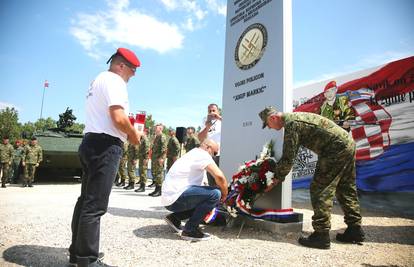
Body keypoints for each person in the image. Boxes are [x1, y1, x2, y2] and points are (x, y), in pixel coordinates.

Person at [68, 47, 141, 267]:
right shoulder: (115, 81)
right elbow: (118, 118)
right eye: (132, 70)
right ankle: (87, 260)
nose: (133, 75)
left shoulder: (98, 80)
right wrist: (133, 134)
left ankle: (77, 254)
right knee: (95, 206)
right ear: (121, 65)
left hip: (90, 142)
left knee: (85, 202)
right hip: (106, 145)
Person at [258, 106, 364, 249]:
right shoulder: (295, 119)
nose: (269, 128)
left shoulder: (292, 124)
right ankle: (355, 230)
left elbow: (289, 158)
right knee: (346, 187)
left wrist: (276, 179)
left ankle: (321, 235)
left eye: (268, 125)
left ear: (273, 118)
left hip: (335, 149)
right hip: (347, 143)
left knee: (320, 188)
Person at [161, 139, 228, 241]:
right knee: (215, 194)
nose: (214, 156)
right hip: (176, 198)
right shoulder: (203, 155)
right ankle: (190, 230)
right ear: (208, 148)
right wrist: (225, 194)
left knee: (207, 196)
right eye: (214, 153)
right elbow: (220, 177)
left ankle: (175, 218)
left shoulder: (193, 153)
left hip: (170, 199)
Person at [198, 104, 222, 186]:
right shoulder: (205, 120)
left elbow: (231, 127)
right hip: (209, 155)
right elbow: (200, 138)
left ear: (218, 111)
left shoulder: (221, 120)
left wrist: (219, 118)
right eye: (209, 111)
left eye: (213, 110)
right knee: (211, 180)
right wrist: (207, 127)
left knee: (220, 179)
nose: (211, 113)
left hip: (221, 154)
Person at [148, 124, 167, 197]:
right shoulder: (157, 137)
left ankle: (159, 190)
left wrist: (162, 158)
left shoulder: (162, 136)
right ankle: (156, 189)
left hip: (159, 158)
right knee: (156, 173)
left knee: (159, 174)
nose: (154, 129)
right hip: (155, 158)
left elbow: (164, 148)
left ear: (160, 129)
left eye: (156, 128)